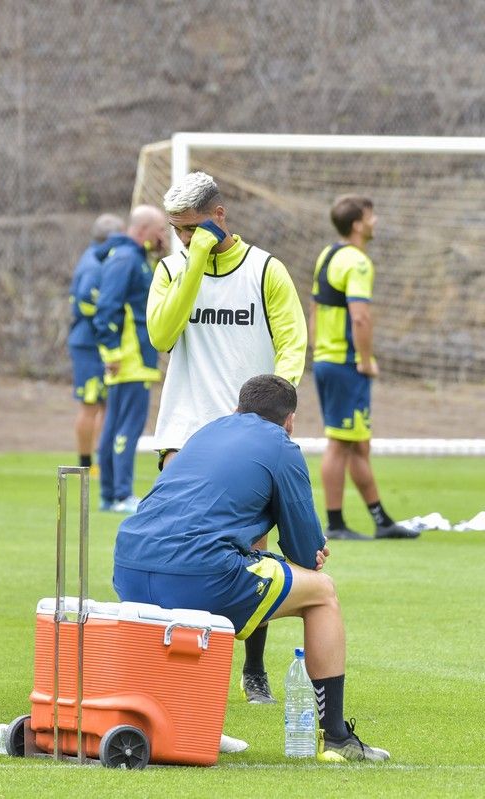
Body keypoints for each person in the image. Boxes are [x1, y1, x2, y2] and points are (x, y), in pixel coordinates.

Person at [113, 374, 390, 763]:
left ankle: (190, 725)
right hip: (201, 572)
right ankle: (338, 738)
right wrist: (312, 554)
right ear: (289, 420)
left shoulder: (205, 433)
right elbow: (304, 550)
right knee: (322, 593)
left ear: (237, 407)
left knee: (197, 613)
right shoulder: (282, 446)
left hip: (128, 565)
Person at [147, 170, 307, 705]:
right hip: (183, 430)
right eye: (177, 230)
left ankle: (254, 666)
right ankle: (180, 670)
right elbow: (163, 336)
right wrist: (193, 262)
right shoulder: (171, 270)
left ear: (219, 216)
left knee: (252, 550)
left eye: (193, 228)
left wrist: (278, 411)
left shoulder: (266, 270)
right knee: (177, 547)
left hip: (248, 430)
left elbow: (291, 343)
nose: (185, 239)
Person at [310, 196, 416, 541]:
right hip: (345, 363)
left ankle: (381, 520)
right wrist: (365, 359)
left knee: (358, 444)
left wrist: (315, 349)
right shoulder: (357, 262)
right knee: (340, 443)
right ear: (357, 223)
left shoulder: (328, 254)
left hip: (327, 360)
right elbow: (360, 315)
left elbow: (314, 307)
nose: (375, 221)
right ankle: (336, 524)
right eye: (371, 216)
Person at [91, 206, 167, 513]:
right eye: (160, 230)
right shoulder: (125, 259)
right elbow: (106, 308)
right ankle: (121, 494)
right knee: (127, 426)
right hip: (129, 358)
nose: (164, 236)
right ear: (143, 229)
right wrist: (113, 353)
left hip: (132, 357)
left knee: (115, 425)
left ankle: (111, 495)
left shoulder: (136, 258)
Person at [68, 213, 124, 475]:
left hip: (98, 342)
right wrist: (112, 312)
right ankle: (86, 463)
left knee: (106, 405)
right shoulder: (94, 264)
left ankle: (103, 462)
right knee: (91, 403)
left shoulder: (101, 258)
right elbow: (84, 302)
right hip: (89, 344)